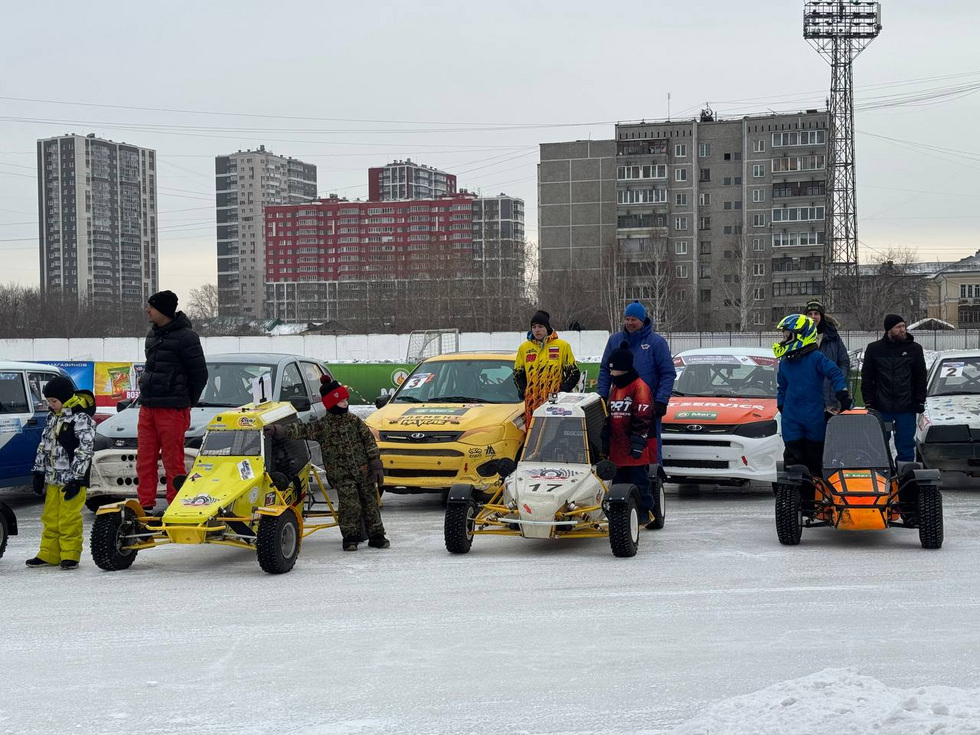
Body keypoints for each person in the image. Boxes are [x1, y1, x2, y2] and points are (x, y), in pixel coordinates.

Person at [272, 378, 388, 552]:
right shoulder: (323, 426)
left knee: (370, 503)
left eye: (346, 400)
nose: (345, 403)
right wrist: (279, 430)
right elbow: (302, 430)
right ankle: (350, 537)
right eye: (341, 401)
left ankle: (377, 535)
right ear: (332, 403)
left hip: (364, 471)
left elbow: (369, 441)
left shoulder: (354, 421)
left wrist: (376, 463)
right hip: (342, 475)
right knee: (350, 505)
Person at [136, 290, 209, 515]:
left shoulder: (187, 337)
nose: (147, 310)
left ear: (164, 310)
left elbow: (200, 374)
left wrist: (186, 402)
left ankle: (176, 504)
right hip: (148, 407)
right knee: (144, 459)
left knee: (173, 460)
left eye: (151, 306)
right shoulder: (152, 335)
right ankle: (144, 505)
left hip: (172, 409)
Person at [25, 378, 96, 570]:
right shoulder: (52, 417)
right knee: (50, 516)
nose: (50, 405)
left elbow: (85, 450)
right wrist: (39, 471)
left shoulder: (81, 419)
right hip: (52, 477)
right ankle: (49, 553)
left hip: (73, 480)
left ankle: (70, 554)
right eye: (48, 401)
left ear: (65, 398)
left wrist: (78, 478)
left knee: (68, 518)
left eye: (54, 401)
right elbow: (44, 446)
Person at [597, 300, 674, 461]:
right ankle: (620, 478)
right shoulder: (615, 341)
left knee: (649, 446)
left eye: (634, 319)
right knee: (618, 443)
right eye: (627, 319)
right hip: (619, 405)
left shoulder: (656, 343)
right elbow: (605, 369)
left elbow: (667, 373)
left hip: (646, 406)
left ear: (642, 320)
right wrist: (602, 396)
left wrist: (661, 400)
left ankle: (652, 479)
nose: (630, 323)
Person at [775, 314, 851, 477]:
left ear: (800, 335)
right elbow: (782, 386)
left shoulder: (816, 358)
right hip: (791, 417)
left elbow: (835, 372)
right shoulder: (785, 363)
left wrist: (842, 392)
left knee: (815, 460)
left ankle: (815, 495)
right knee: (793, 461)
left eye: (787, 334)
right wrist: (781, 403)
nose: (784, 338)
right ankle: (794, 496)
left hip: (813, 417)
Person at [603, 342, 659, 529]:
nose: (610, 373)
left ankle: (643, 513)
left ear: (623, 369)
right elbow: (610, 415)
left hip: (636, 448)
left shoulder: (639, 387)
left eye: (613, 370)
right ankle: (622, 515)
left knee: (639, 483)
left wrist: (638, 441)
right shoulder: (616, 388)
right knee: (619, 484)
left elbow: (643, 416)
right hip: (618, 449)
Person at [860, 314, 928, 463]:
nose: (903, 330)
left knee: (906, 444)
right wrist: (869, 401)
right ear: (889, 329)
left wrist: (920, 400)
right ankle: (883, 474)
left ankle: (905, 475)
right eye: (898, 327)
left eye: (904, 326)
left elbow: (920, 376)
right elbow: (867, 377)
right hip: (881, 407)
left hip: (906, 407)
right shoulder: (874, 349)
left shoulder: (914, 349)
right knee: (879, 444)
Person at [513, 310, 581, 428]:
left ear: (547, 327)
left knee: (553, 433)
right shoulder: (524, 348)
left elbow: (574, 373)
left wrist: (561, 391)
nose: (537, 330)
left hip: (554, 402)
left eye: (540, 326)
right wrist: (524, 392)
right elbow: (517, 374)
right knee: (533, 435)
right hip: (532, 403)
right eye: (534, 327)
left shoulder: (562, 346)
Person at [803, 300, 851, 413]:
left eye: (816, 313)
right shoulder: (799, 337)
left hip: (830, 399)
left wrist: (838, 380)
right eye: (809, 314)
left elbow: (844, 362)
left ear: (821, 316)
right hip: (807, 399)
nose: (813, 317)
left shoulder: (833, 336)